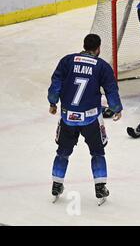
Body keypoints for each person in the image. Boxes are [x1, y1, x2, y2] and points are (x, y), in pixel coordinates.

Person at [47, 34, 123, 203]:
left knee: (62, 153)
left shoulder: (67, 61)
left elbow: (55, 84)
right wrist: (116, 108)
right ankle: (100, 187)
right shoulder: (102, 66)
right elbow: (111, 90)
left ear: (84, 45)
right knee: (97, 153)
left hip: (68, 117)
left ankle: (56, 184)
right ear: (98, 49)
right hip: (91, 118)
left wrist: (53, 103)